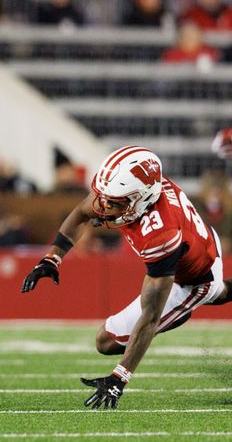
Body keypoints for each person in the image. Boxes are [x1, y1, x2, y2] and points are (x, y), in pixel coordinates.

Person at [21, 146, 232, 409]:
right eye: (105, 196)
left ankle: (183, 310)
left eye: (114, 202)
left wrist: (120, 377)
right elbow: (82, 212)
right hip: (202, 242)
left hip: (192, 281)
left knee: (106, 341)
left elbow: (150, 315)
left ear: (142, 199)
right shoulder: (140, 188)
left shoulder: (161, 235)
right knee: (220, 290)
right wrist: (52, 258)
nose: (105, 206)